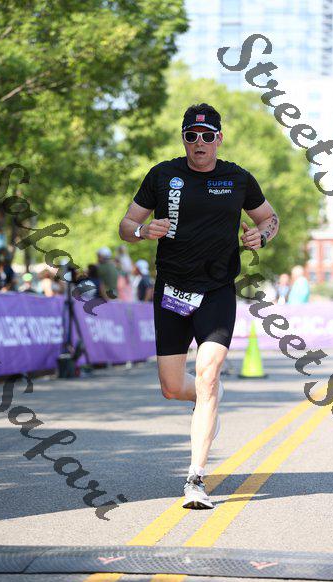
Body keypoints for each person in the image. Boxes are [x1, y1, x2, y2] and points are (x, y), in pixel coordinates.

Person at [119, 103, 279, 509]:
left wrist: (262, 236)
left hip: (217, 291)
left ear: (219, 139)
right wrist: (143, 230)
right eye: (192, 135)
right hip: (172, 290)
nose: (200, 143)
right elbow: (126, 225)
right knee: (172, 388)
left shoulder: (238, 178)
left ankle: (195, 479)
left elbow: (269, 218)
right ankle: (209, 394)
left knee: (206, 376)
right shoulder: (162, 175)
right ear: (184, 138)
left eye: (207, 136)